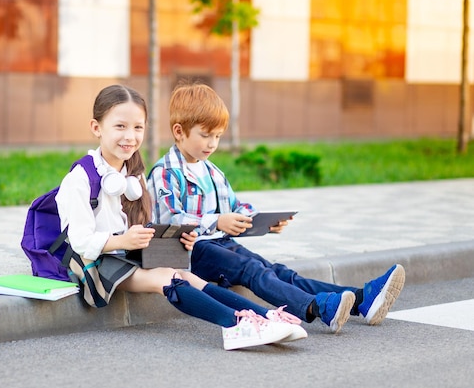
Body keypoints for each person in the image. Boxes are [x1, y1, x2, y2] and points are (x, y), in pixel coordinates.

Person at [55, 84, 306, 351]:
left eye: (138, 127)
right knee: (167, 278)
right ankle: (235, 325)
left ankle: (264, 316)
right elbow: (80, 241)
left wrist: (175, 240)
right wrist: (124, 241)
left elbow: (142, 228)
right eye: (120, 126)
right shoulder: (80, 179)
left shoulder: (133, 175)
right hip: (92, 261)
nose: (130, 136)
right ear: (97, 128)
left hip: (124, 250)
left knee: (186, 275)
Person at [147, 83, 406, 334]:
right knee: (253, 271)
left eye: (217, 136)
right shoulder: (165, 172)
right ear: (179, 131)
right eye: (205, 135)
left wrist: (259, 220)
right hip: (192, 250)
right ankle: (317, 307)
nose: (212, 143)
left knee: (278, 271)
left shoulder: (211, 171)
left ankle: (362, 299)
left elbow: (235, 207)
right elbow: (170, 218)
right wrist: (217, 222)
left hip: (220, 244)